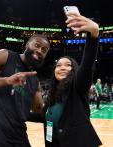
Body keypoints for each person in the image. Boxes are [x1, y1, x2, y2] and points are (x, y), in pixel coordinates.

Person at [28, 12, 102, 147]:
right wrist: (18, 113)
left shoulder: (78, 86)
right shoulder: (53, 94)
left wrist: (93, 36)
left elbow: (87, 65)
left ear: (74, 70)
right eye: (59, 65)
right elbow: (43, 117)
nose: (62, 68)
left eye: (68, 65)